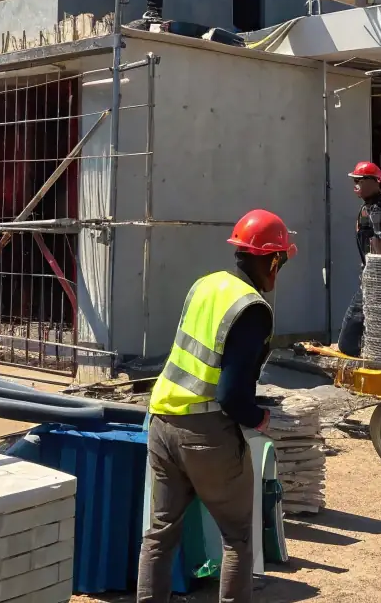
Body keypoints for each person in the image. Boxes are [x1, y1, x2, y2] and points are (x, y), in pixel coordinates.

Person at [136, 208, 296, 603]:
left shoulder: (206, 286)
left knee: (160, 534)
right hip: (206, 433)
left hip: (161, 421)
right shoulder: (252, 309)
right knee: (238, 537)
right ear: (273, 259)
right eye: (282, 260)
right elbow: (230, 395)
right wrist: (259, 417)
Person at [336, 161, 381, 357]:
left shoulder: (377, 210)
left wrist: (377, 275)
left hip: (376, 276)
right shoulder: (370, 207)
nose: (355, 185)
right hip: (373, 274)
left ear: (373, 182)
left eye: (359, 180)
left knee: (349, 336)